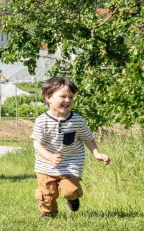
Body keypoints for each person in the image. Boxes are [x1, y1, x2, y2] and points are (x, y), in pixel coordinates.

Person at [31, 77, 111, 218]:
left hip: (70, 162)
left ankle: (73, 198)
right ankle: (48, 214)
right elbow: (36, 143)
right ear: (48, 97)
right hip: (45, 164)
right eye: (63, 96)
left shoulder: (77, 120)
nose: (67, 100)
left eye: (71, 97)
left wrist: (97, 153)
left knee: (69, 190)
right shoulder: (42, 121)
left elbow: (88, 138)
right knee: (47, 194)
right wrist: (49, 156)